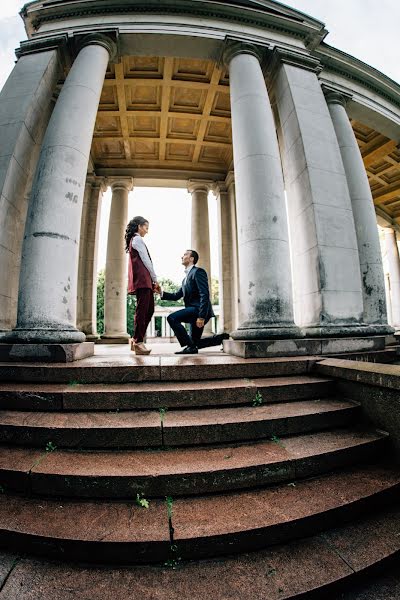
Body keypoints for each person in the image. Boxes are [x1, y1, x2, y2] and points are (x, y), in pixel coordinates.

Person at [161, 249, 229, 354]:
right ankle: (221, 338)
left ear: (191, 258)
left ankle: (190, 346)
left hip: (198, 311)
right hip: (193, 312)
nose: (182, 256)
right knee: (195, 343)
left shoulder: (198, 272)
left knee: (172, 318)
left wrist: (201, 316)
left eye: (185, 254)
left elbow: (204, 294)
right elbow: (176, 296)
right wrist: (160, 292)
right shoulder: (184, 280)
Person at [125, 216, 160, 355]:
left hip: (143, 280)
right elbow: (146, 260)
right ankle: (138, 341)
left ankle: (136, 340)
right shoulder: (138, 239)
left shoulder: (134, 239)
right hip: (143, 280)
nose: (147, 231)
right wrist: (155, 279)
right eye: (146, 227)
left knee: (148, 309)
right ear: (139, 226)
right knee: (143, 310)